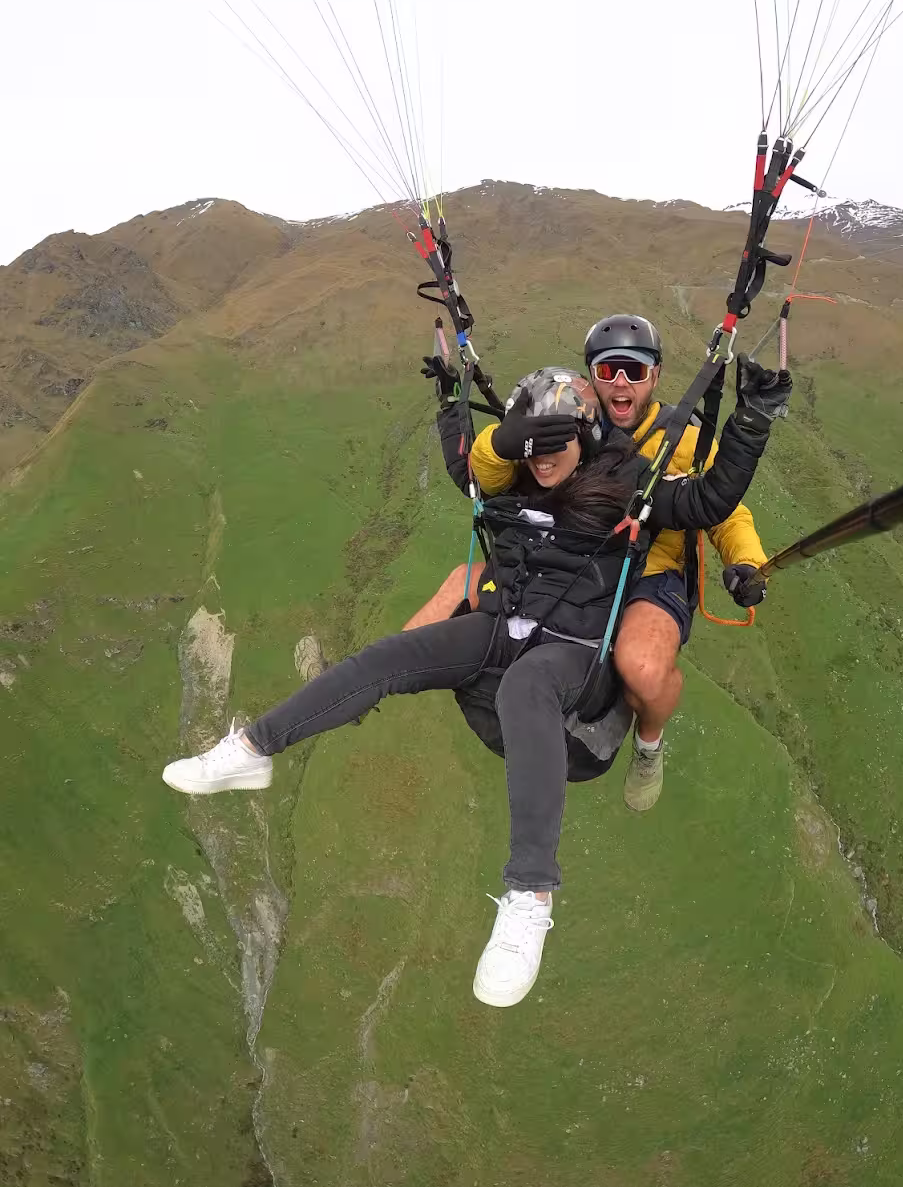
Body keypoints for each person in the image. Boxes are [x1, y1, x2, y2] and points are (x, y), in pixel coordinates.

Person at [163, 363, 787, 1007]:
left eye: (556, 444)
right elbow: (468, 461)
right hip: (505, 625)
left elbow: (712, 502)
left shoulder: (630, 485)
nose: (542, 460)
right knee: (391, 655)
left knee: (525, 688)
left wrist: (753, 421)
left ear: (585, 436)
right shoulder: (514, 481)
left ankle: (529, 897)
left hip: (576, 657)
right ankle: (253, 751)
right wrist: (451, 407)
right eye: (531, 445)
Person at [430, 314, 787, 813]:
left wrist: (746, 560)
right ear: (590, 376)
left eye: (634, 372)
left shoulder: (680, 437)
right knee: (458, 598)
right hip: (576, 561)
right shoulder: (572, 418)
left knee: (640, 666)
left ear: (655, 377)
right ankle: (372, 685)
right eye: (608, 371)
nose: (621, 383)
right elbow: (493, 476)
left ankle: (648, 744)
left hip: (652, 569)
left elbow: (723, 510)